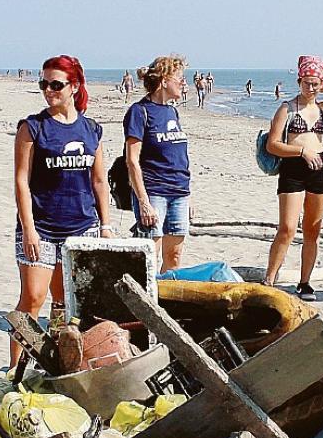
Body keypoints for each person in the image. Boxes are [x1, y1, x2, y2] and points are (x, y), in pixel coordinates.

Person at [12, 54, 114, 366]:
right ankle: (13, 369)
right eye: (44, 84)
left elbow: (99, 181)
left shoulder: (90, 130)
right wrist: (29, 228)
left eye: (56, 84)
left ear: (74, 86)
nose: (48, 90)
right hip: (41, 227)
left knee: (63, 304)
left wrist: (106, 225)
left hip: (81, 227)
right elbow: (21, 181)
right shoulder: (33, 128)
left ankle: (53, 365)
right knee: (32, 298)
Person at [263, 55, 323, 300]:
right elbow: (272, 145)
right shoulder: (287, 108)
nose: (310, 88)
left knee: (312, 230)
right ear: (298, 81)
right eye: (306, 82)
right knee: (286, 228)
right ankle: (270, 279)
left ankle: (305, 282)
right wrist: (301, 150)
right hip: (293, 168)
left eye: (315, 83)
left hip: (319, 168)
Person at [125, 55, 191, 271]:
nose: (184, 83)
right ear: (164, 81)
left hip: (179, 191)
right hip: (154, 192)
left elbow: (178, 157)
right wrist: (143, 202)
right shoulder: (139, 112)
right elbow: (132, 161)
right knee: (149, 256)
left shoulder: (172, 111)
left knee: (174, 256)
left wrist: (189, 195)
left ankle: (166, 300)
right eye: (179, 78)